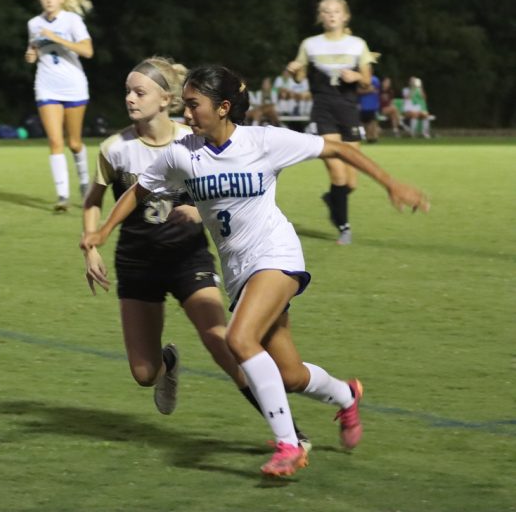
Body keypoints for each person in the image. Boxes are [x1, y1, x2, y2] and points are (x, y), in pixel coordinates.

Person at [81, 64, 429, 477]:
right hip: (238, 269)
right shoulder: (182, 152)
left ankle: (289, 446)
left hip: (277, 255)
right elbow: (141, 189)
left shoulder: (264, 141)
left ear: (224, 107)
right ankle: (346, 395)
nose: (186, 115)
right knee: (291, 374)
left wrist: (392, 183)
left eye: (194, 105)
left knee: (240, 339)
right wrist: (102, 231)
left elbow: (338, 149)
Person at [82, 57, 310, 448]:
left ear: (165, 99)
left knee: (225, 343)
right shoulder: (114, 148)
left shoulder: (196, 135)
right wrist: (92, 242)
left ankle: (290, 435)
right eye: (127, 91)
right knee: (143, 372)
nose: (130, 99)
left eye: (139, 92)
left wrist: (197, 211)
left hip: (188, 257)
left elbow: (232, 195)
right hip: (137, 261)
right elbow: (94, 200)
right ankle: (167, 364)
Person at [287, 0, 376, 245]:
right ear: (320, 17)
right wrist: (295, 71)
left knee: (351, 182)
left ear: (345, 16)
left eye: (336, 11)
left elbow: (368, 80)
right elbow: (300, 77)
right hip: (323, 111)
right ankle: (344, 228)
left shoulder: (358, 44)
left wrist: (356, 76)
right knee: (337, 174)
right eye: (325, 11)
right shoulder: (310, 44)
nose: (331, 14)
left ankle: (334, 200)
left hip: (348, 112)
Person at [24, 0, 94, 211]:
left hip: (73, 85)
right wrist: (31, 55)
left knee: (74, 143)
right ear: (40, 0)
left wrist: (56, 37)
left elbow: (87, 51)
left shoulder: (72, 20)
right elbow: (33, 49)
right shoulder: (34, 23)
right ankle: (62, 196)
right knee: (55, 141)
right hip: (46, 85)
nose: (49, 1)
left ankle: (84, 183)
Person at [358, 74, 382, 142]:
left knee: (372, 122)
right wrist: (368, 90)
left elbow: (374, 89)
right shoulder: (359, 78)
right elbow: (358, 90)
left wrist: (363, 90)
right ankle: (365, 137)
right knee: (362, 123)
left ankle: (372, 138)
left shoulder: (374, 79)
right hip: (362, 106)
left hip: (372, 106)